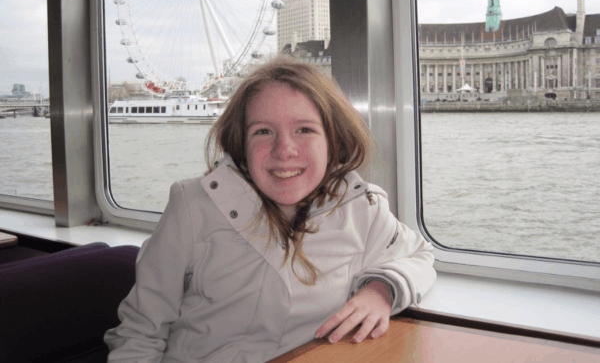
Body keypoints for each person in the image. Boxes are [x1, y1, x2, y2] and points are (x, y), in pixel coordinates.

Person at [105, 57, 436, 362]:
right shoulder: (193, 206)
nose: (284, 149)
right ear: (241, 144)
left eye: (304, 130)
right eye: (263, 131)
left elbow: (419, 255)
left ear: (332, 140)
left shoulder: (362, 207)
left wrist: (381, 290)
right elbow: (139, 334)